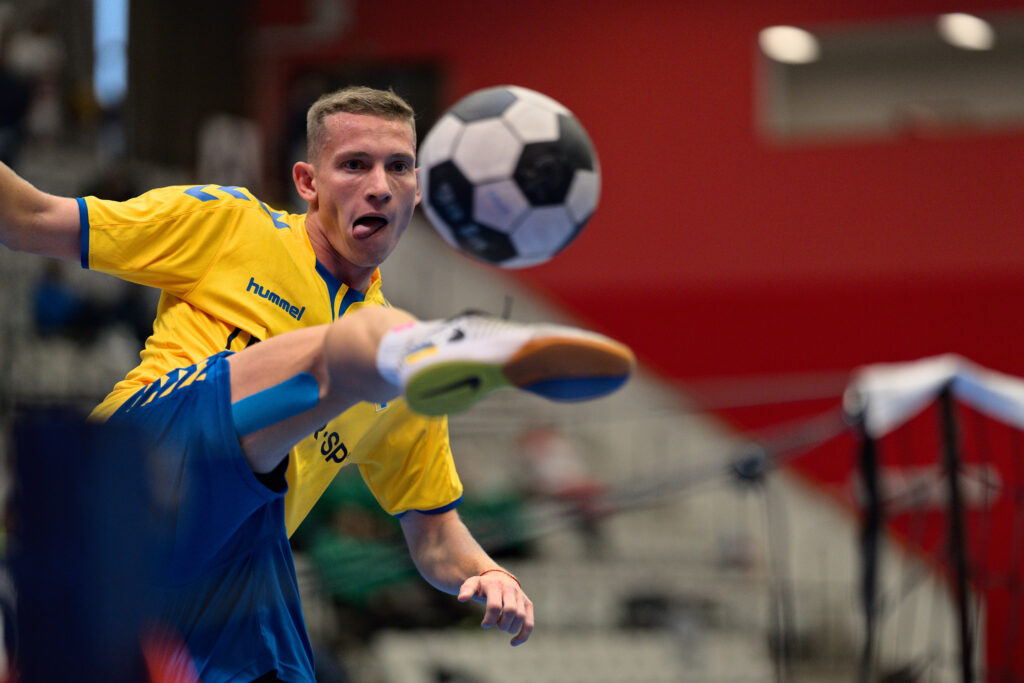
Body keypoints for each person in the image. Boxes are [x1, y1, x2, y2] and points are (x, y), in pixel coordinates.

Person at [0, 85, 635, 682]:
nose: (379, 186)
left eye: (399, 168)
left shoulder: (410, 379)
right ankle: (453, 339)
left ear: (418, 190)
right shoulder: (232, 226)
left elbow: (436, 536)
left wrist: (491, 574)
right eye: (355, 165)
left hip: (235, 558)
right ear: (307, 181)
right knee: (361, 344)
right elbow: (30, 218)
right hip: (140, 465)